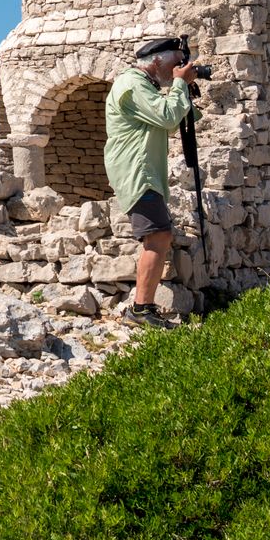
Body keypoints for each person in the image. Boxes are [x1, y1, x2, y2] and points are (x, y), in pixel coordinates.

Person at [104, 36, 198, 327]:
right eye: (174, 63)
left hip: (146, 172)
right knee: (158, 235)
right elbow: (169, 118)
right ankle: (141, 309)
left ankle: (143, 308)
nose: (176, 69)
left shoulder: (146, 87)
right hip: (138, 172)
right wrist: (180, 85)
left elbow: (176, 117)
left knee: (159, 234)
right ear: (157, 60)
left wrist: (186, 90)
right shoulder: (133, 84)